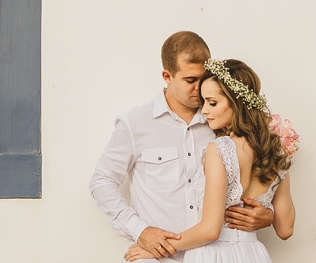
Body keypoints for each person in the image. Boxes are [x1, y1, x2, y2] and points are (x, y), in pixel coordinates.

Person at [90, 33, 277, 261]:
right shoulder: (135, 123)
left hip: (214, 255)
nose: (199, 88)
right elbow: (102, 181)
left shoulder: (222, 123)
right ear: (167, 76)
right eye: (190, 80)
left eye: (204, 78)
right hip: (155, 256)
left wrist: (268, 215)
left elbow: (254, 176)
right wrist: (140, 231)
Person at [123, 58, 295, 263]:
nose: (204, 111)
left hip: (213, 254)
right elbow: (285, 229)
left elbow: (211, 230)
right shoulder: (276, 153)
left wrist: (159, 249)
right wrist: (267, 215)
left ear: (237, 103)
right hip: (254, 254)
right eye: (204, 102)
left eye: (212, 103)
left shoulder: (220, 149)